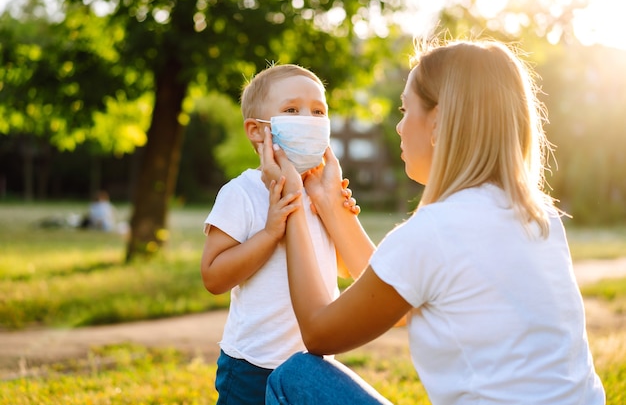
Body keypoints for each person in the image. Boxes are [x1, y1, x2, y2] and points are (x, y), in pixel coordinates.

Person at [261, 40, 606, 404]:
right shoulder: (541, 217)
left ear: (438, 122)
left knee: (294, 376)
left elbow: (318, 332)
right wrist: (329, 202)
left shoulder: (435, 232)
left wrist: (292, 199)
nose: (398, 126)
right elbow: (396, 299)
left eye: (405, 109)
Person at [200, 63, 360, 405]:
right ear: (258, 132)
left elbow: (348, 270)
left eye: (319, 112)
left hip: (313, 363)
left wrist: (339, 213)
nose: (309, 120)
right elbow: (213, 276)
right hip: (252, 367)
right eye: (292, 110)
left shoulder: (322, 193)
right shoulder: (241, 193)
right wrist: (271, 232)